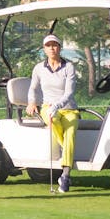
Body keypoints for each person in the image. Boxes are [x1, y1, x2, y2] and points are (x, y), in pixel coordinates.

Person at [26, 34, 79, 193]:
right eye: (48, 45)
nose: (51, 48)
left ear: (59, 47)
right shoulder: (39, 68)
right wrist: (31, 102)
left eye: (54, 45)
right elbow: (33, 88)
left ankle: (65, 175)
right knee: (53, 119)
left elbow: (69, 93)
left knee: (70, 133)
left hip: (69, 108)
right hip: (48, 107)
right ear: (44, 49)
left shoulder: (69, 67)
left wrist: (58, 105)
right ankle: (67, 152)